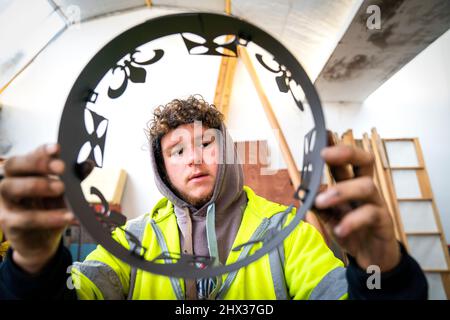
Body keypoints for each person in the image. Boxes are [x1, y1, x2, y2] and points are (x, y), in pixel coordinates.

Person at [0, 95, 427, 300]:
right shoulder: (129, 240)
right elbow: (76, 294)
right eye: (177, 150)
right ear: (162, 166)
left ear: (227, 150)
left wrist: (381, 273)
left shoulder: (286, 231)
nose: (194, 159)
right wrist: (33, 269)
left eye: (207, 143)